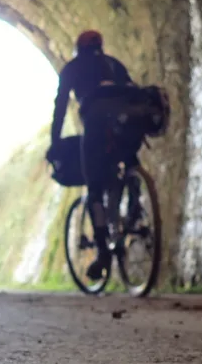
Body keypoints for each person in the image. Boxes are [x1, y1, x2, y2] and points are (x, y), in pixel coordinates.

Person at [50, 30, 143, 281]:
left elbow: (60, 108)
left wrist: (55, 142)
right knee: (129, 161)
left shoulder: (73, 68)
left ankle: (103, 252)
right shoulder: (113, 64)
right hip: (126, 126)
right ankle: (135, 202)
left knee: (94, 188)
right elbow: (133, 90)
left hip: (96, 128)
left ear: (78, 48)